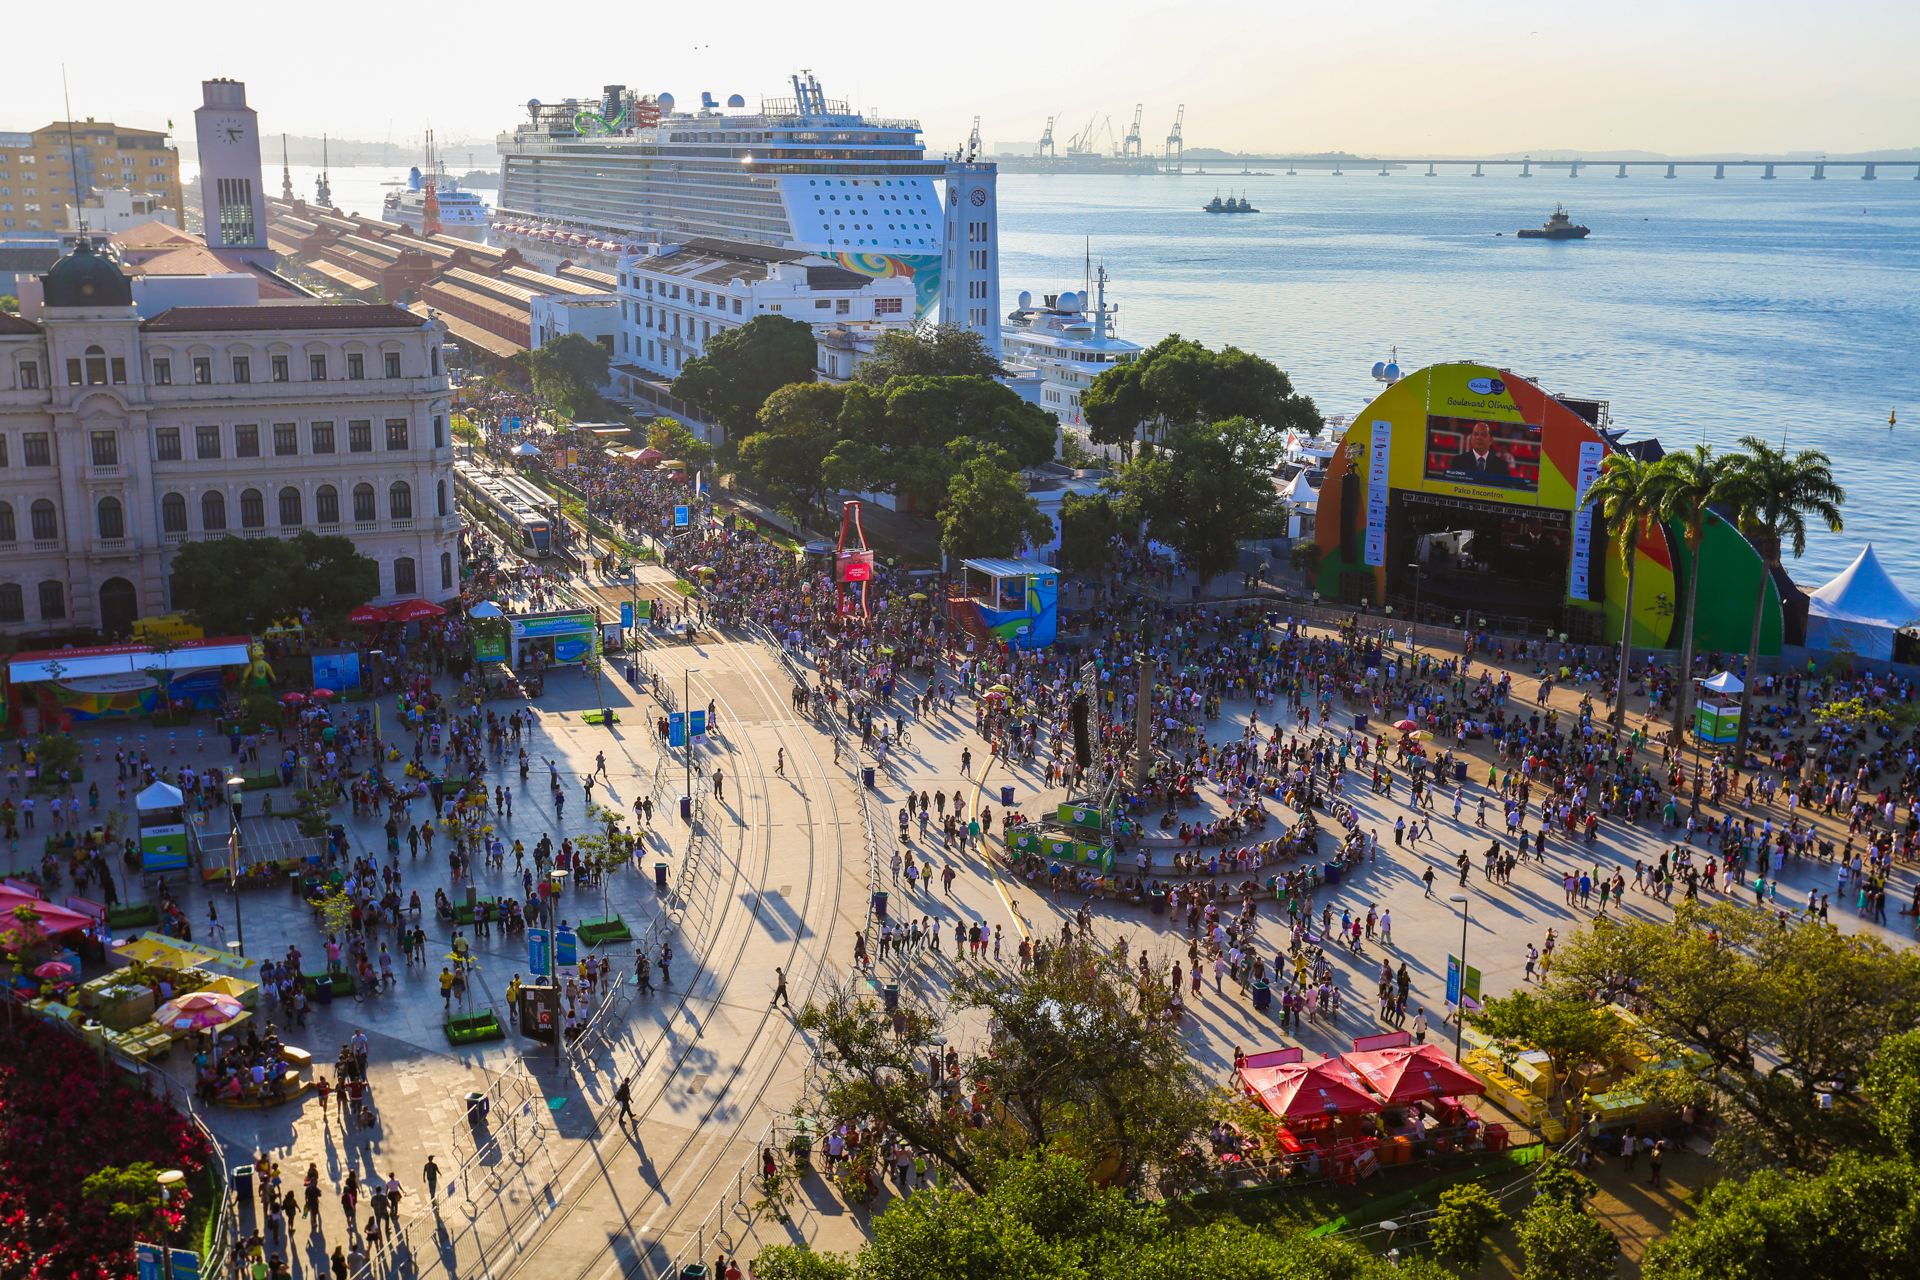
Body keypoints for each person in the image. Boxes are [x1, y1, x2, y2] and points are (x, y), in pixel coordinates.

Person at [1447, 420, 1512, 478]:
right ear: (1471, 438)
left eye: (1484, 435)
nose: (1478, 438)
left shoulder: (1502, 465)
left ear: (1491, 440)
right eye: (1476, 434)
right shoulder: (1458, 461)